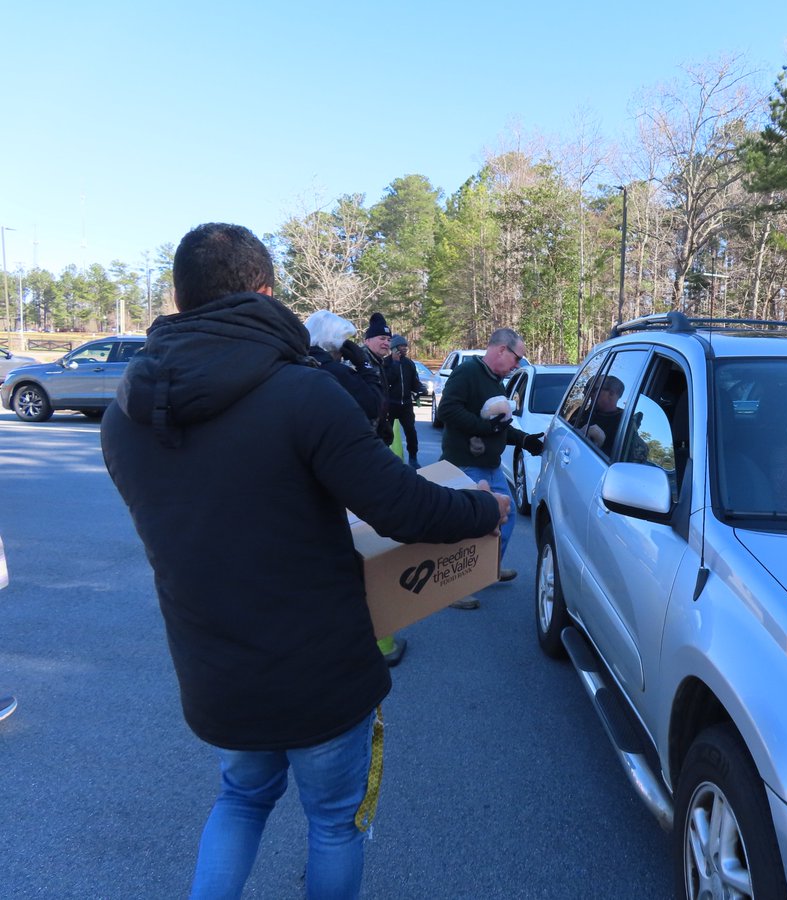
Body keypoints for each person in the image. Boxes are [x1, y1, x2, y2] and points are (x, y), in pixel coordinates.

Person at [101, 223, 509, 898]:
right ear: (264, 291)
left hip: (215, 668)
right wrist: (481, 511)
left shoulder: (127, 417)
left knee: (240, 799)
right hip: (319, 669)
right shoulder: (300, 393)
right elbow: (402, 508)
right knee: (334, 824)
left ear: (179, 298)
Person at [305, 310, 408, 668]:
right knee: (367, 551)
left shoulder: (304, 366)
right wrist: (359, 362)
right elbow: (371, 402)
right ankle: (376, 640)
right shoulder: (328, 368)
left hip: (336, 467)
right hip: (351, 468)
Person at [438, 327, 543, 609]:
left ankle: (487, 570)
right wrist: (484, 427)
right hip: (466, 465)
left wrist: (524, 440)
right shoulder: (468, 373)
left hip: (490, 466)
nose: (518, 364)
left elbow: (500, 426)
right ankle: (454, 589)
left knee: (504, 521)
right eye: (517, 357)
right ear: (501, 350)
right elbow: (448, 409)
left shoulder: (496, 382)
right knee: (468, 527)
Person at [384, 335, 426, 467]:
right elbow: (388, 380)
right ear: (395, 348)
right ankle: (384, 458)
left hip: (406, 405)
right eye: (402, 346)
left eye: (406, 346)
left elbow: (414, 382)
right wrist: (395, 363)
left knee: (411, 431)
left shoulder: (409, 364)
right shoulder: (385, 363)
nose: (405, 348)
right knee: (386, 433)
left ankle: (413, 458)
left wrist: (421, 388)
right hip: (390, 404)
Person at [361, 313, 393, 444]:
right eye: (382, 338)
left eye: (389, 340)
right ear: (367, 340)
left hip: (376, 431)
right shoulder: (359, 360)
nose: (386, 343)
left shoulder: (378, 361)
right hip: (362, 433)